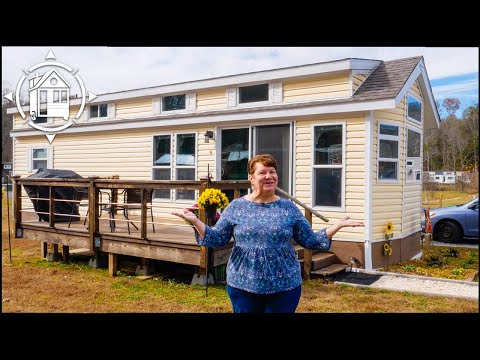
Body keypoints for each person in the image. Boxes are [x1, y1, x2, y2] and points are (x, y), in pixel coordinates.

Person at [172, 154, 364, 313]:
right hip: (243, 284)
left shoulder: (288, 207)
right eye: (262, 172)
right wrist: (195, 221)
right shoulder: (236, 207)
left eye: (272, 172)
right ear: (252, 178)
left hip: (284, 285)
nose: (269, 176)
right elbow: (217, 238)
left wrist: (337, 225)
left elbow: (310, 240)